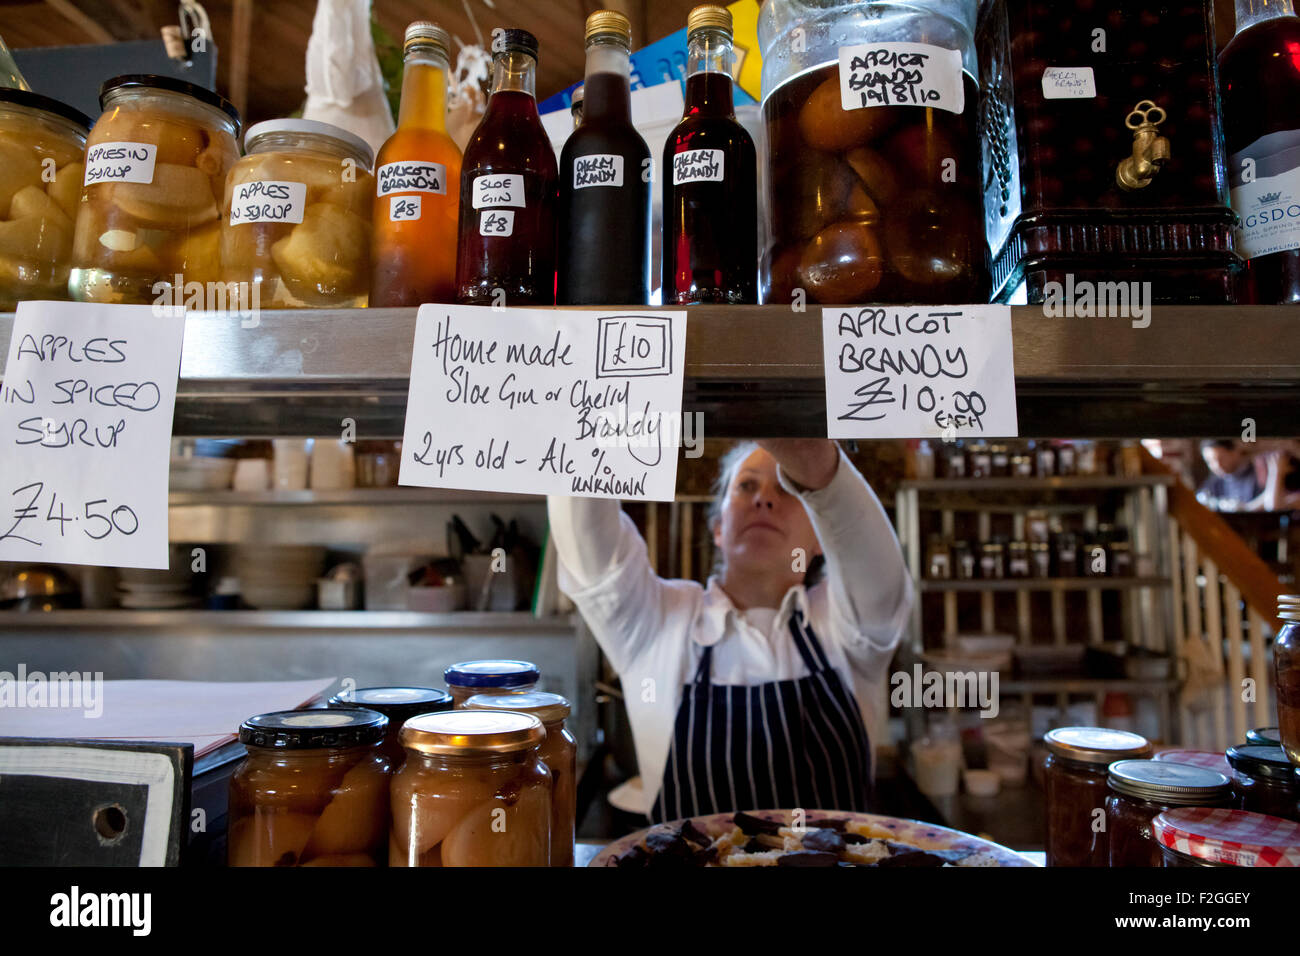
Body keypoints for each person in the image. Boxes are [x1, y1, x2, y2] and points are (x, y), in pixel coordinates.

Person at [547, 439, 913, 821]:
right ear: (718, 527)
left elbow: (881, 577)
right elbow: (589, 551)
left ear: (821, 536)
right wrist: (593, 414)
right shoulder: (657, 623)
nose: (764, 500)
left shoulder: (845, 626)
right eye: (747, 486)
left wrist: (822, 474)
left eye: (786, 489)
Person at [1197, 439, 1267, 512]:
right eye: (1209, 462)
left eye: (1221, 459)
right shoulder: (1214, 481)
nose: (1217, 466)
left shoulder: (1259, 473)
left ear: (1234, 453)